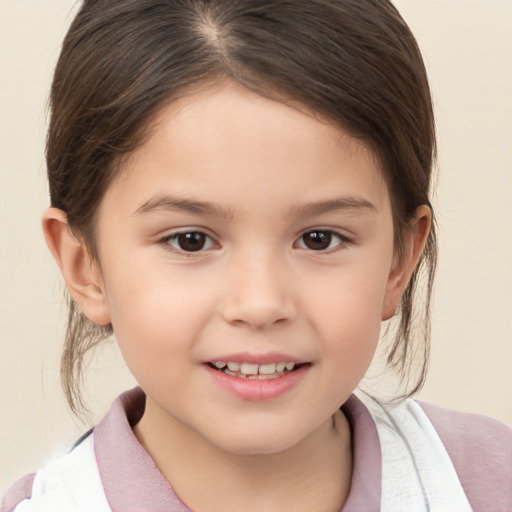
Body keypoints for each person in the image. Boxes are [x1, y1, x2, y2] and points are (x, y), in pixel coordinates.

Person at [2, 0, 511, 511]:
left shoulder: (489, 483)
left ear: (399, 260)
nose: (261, 303)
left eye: (320, 239)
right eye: (190, 240)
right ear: (84, 265)